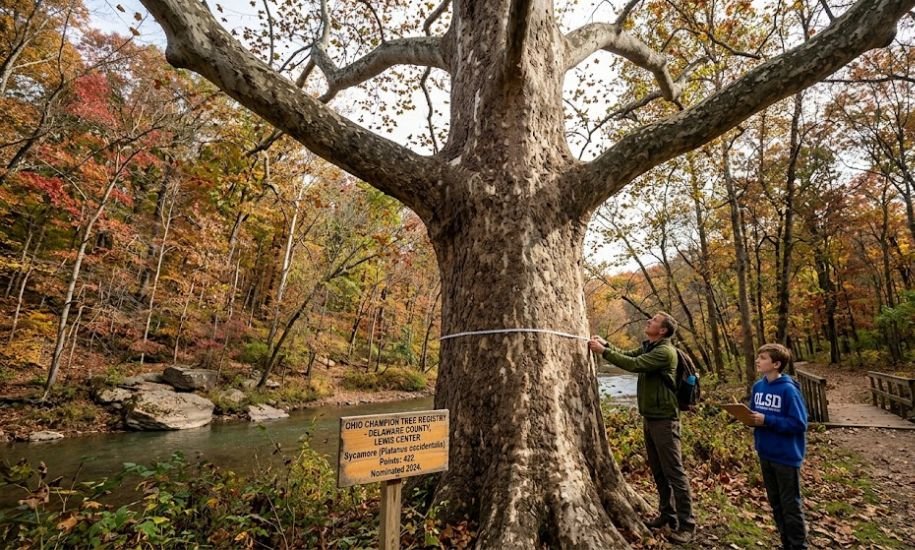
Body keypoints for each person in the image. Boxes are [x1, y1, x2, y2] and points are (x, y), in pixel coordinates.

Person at [588, 312, 695, 544]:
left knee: (674, 473)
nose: (649, 322)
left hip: (665, 420)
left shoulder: (664, 352)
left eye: (654, 321)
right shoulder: (650, 346)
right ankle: (667, 515)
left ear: (663, 330)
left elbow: (634, 364)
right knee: (658, 471)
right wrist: (608, 345)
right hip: (651, 417)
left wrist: (603, 351)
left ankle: (687, 525)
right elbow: (629, 354)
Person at [749, 343, 808, 550]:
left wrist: (767, 420)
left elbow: (799, 423)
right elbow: (754, 415)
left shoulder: (788, 390)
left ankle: (798, 545)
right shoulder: (758, 387)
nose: (758, 361)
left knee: (790, 505)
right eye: (758, 357)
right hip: (765, 452)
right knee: (775, 504)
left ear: (776, 364)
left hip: (785, 456)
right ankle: (786, 543)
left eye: (763, 357)